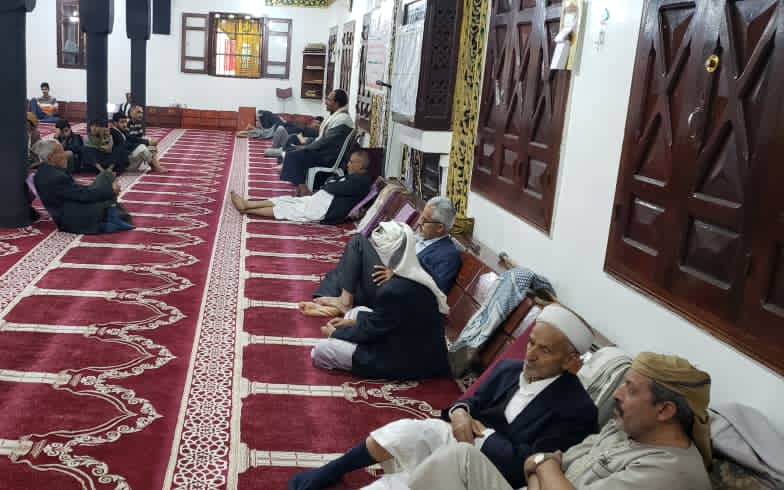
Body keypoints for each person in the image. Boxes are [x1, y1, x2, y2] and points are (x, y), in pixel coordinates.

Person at [290, 304, 599, 490]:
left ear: (570, 361)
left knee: (407, 482)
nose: (530, 355)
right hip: (466, 439)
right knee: (409, 430)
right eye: (531, 343)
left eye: (545, 350)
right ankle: (334, 469)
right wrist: (461, 412)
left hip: (495, 474)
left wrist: (484, 436)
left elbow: (530, 465)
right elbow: (469, 402)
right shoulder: (509, 369)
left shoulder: (576, 409)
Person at [405, 353, 713, 490]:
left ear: (664, 410)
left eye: (630, 389)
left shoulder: (670, 472)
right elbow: (543, 462)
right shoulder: (625, 429)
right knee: (460, 456)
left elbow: (543, 462)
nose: (617, 394)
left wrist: (543, 466)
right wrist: (543, 467)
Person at [303, 197, 462, 317]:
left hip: (398, 293)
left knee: (358, 242)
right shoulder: (420, 237)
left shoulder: (448, 255)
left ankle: (344, 303)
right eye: (421, 216)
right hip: (386, 277)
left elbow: (434, 291)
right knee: (346, 268)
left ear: (440, 228)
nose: (419, 222)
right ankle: (331, 302)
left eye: (425, 220)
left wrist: (398, 274)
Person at [229, 150, 371, 224]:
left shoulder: (362, 181)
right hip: (319, 201)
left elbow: (334, 187)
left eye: (351, 162)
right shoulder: (355, 177)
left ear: (360, 165)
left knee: (287, 209)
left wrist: (330, 184)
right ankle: (247, 204)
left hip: (324, 210)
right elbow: (332, 184)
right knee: (286, 200)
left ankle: (247, 210)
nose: (348, 165)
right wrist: (330, 184)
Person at [33, 139, 134, 234]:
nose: (65, 155)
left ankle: (112, 215)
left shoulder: (43, 171)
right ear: (51, 157)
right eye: (61, 152)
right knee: (107, 193)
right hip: (74, 217)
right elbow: (83, 196)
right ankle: (111, 219)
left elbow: (76, 192)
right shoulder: (56, 177)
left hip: (71, 207)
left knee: (106, 175)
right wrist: (110, 191)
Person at [278, 89, 354, 196]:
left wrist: (305, 147)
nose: (326, 102)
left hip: (327, 157)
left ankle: (304, 189)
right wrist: (304, 132)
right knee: (291, 147)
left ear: (336, 103)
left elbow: (324, 141)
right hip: (323, 152)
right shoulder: (337, 116)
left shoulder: (342, 119)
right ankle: (299, 185)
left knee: (293, 154)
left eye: (329, 100)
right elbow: (321, 135)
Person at [125, 105, 163, 172]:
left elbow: (140, 137)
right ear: (131, 113)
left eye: (142, 113)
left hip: (135, 152)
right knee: (143, 146)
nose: (141, 115)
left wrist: (150, 141)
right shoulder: (126, 123)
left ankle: (155, 166)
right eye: (138, 112)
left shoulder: (138, 123)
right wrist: (147, 142)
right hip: (128, 155)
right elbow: (129, 139)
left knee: (150, 142)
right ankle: (156, 167)